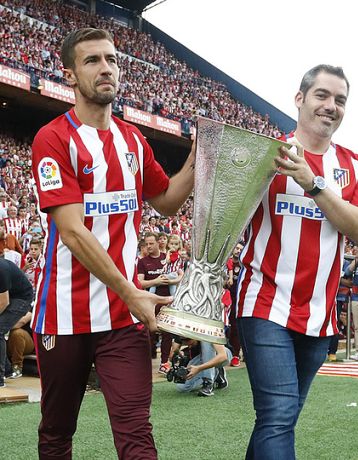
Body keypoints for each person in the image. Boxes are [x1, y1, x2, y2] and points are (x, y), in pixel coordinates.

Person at [29, 28, 194, 459]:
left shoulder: (134, 140)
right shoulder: (52, 138)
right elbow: (72, 231)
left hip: (122, 317)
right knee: (57, 431)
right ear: (69, 75)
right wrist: (131, 291)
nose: (106, 68)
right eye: (92, 61)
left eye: (112, 59)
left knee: (136, 429)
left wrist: (201, 156)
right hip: (64, 313)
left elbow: (168, 202)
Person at [235, 64, 358, 459]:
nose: (331, 106)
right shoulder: (267, 153)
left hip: (319, 313)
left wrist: (314, 184)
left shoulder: (354, 165)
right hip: (264, 302)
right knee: (278, 414)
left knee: (280, 418)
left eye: (340, 100)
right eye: (322, 95)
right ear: (300, 99)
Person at [137, 232, 178, 374]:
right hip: (150, 303)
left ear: (158, 243)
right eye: (146, 244)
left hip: (168, 300)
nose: (148, 246)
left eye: (151, 243)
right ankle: (145, 363)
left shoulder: (166, 258)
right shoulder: (142, 262)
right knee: (149, 333)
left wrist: (171, 281)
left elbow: (180, 275)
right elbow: (140, 282)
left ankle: (164, 362)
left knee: (167, 333)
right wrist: (155, 281)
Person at [0, 258, 34, 388]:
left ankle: (0, 379)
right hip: (9, 296)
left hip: (22, 298)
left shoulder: (1, 269)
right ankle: (8, 370)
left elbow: (4, 302)